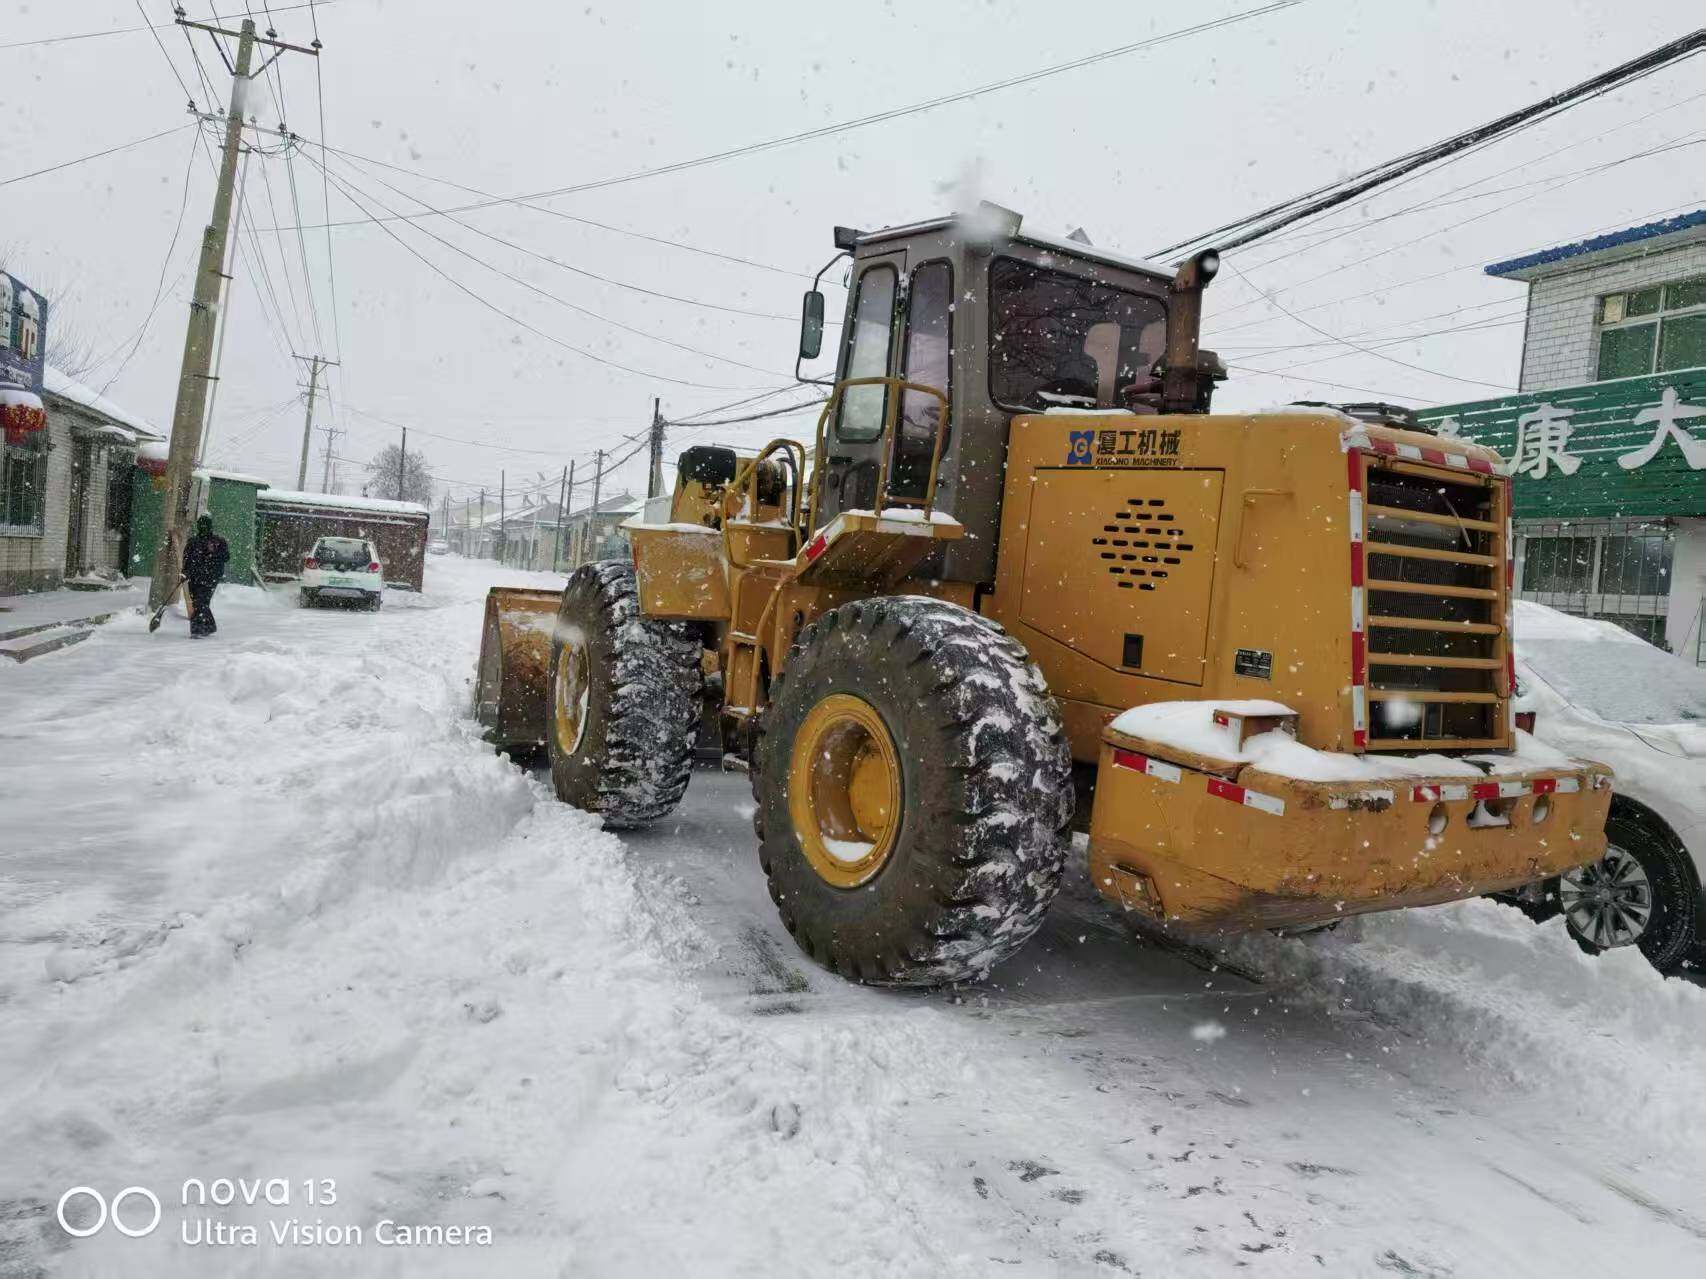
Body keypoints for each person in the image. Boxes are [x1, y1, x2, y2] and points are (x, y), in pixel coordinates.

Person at [181, 514, 230, 638]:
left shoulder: (218, 541)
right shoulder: (193, 541)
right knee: (199, 602)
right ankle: (209, 626)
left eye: (205, 525)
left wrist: (215, 551)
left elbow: (226, 557)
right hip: (194, 577)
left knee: (200, 602)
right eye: (200, 525)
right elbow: (186, 558)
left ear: (210, 526)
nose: (202, 527)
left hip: (210, 577)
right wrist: (184, 572)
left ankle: (197, 630)